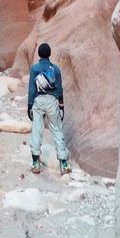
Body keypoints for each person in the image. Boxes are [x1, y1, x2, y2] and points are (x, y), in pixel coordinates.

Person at [27, 42, 71, 175]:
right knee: (57, 130)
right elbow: (59, 88)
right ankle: (63, 164)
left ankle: (35, 162)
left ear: (39, 54)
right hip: (52, 101)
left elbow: (32, 88)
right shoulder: (55, 69)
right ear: (49, 54)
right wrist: (61, 106)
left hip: (39, 101)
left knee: (37, 130)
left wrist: (29, 105)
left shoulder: (35, 69)